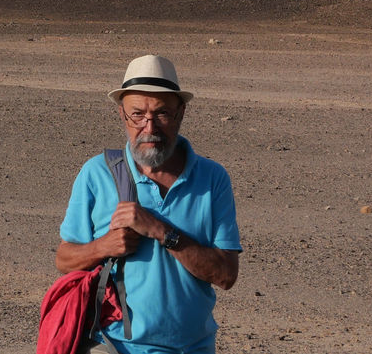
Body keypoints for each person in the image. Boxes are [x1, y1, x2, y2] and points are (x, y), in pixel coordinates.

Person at [56, 54, 242, 354]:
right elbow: (64, 259)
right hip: (115, 346)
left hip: (192, 348)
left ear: (181, 113)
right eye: (137, 114)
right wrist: (104, 246)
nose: (149, 126)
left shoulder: (212, 179)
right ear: (122, 115)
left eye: (162, 114)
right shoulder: (97, 173)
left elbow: (226, 275)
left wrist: (161, 230)